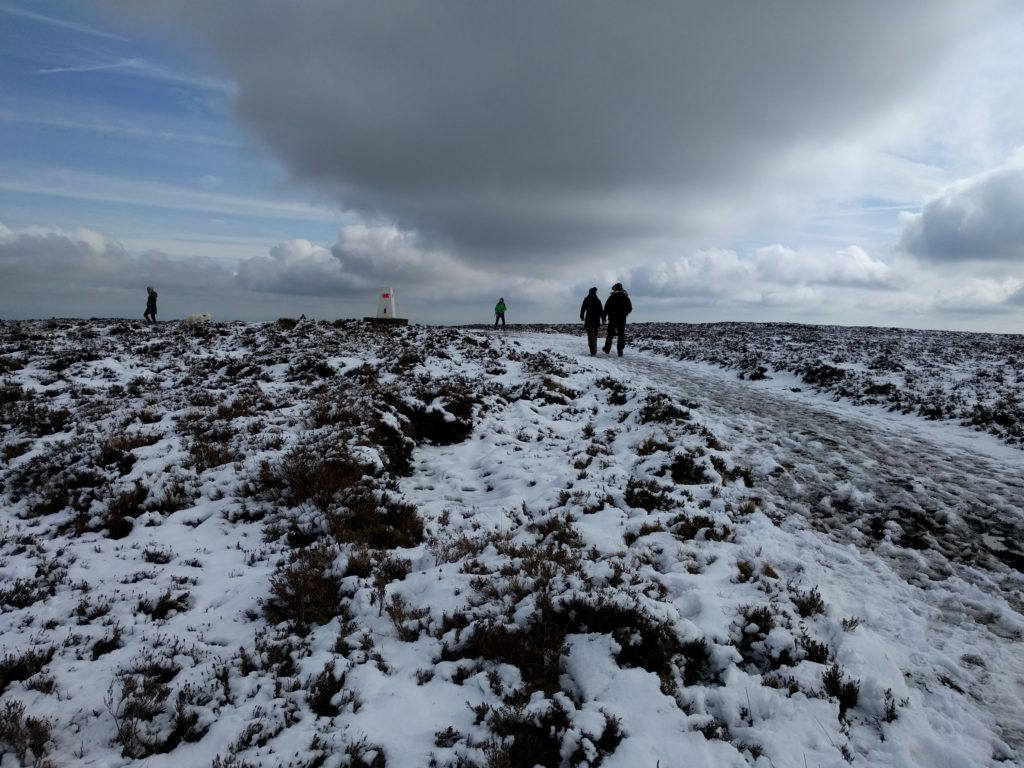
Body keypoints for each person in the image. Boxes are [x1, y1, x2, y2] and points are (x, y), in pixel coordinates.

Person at [602, 282, 632, 356]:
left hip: (612, 319)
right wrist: (625, 314)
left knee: (610, 334)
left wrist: (604, 318)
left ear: (615, 289)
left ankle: (607, 349)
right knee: (621, 334)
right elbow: (630, 308)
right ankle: (620, 351)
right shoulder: (625, 297)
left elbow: (606, 308)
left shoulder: (612, 297)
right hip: (622, 319)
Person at [579, 286, 603, 355]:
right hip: (596, 321)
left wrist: (582, 316)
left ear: (590, 292)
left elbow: (583, 308)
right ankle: (594, 350)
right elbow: (601, 311)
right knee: (595, 336)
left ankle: (593, 351)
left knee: (590, 337)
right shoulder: (598, 301)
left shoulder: (586, 300)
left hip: (589, 320)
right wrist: (603, 319)